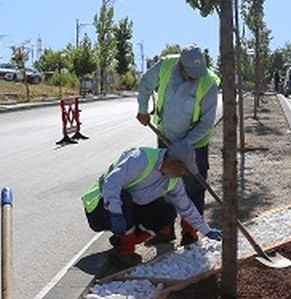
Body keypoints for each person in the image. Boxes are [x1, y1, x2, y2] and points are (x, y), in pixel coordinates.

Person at [82, 146, 221, 269]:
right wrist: (115, 213)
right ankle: (125, 251)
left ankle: (123, 240)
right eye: (184, 170)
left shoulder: (173, 180)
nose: (185, 174)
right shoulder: (141, 159)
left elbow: (186, 207)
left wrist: (206, 230)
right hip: (100, 208)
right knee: (123, 197)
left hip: (127, 210)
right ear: (173, 163)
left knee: (167, 211)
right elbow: (111, 183)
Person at [136, 46, 220, 246]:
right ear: (180, 65)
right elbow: (145, 84)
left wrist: (186, 144)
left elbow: (206, 123)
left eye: (197, 74)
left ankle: (190, 233)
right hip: (165, 138)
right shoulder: (166, 66)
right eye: (190, 74)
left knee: (193, 187)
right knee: (163, 184)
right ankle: (165, 230)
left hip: (195, 144)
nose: (194, 78)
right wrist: (142, 109)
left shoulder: (208, 83)